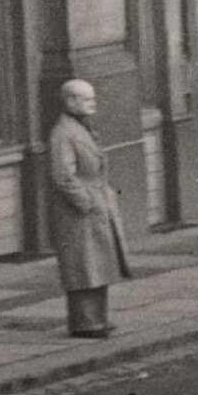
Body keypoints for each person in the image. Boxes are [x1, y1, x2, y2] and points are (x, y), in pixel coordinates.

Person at [47, 79, 135, 338]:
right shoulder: (63, 133)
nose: (93, 104)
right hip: (78, 211)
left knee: (98, 262)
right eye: (87, 99)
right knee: (82, 265)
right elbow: (63, 176)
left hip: (95, 204)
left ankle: (97, 318)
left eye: (93, 98)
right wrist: (86, 202)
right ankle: (85, 322)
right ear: (70, 101)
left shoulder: (82, 128)